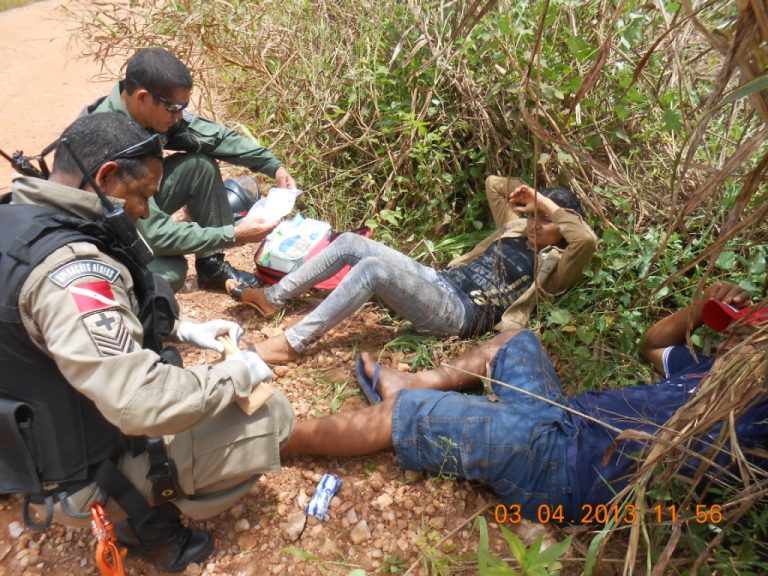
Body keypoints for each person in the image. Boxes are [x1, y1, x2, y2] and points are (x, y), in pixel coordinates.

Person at [0, 113, 294, 572]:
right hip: (71, 476)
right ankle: (145, 525)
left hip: (20, 438)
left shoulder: (15, 220)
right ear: (107, 176)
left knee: (170, 352)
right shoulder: (71, 271)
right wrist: (236, 373)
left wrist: (183, 327)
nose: (142, 211)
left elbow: (47, 328)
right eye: (142, 196)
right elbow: (141, 401)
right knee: (272, 416)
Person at [281, 281, 768, 521]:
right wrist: (698, 310)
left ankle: (272, 439)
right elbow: (653, 345)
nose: (731, 341)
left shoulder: (757, 409)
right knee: (517, 341)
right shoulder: (710, 371)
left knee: (401, 419)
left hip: (563, 466)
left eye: (742, 336)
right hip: (565, 422)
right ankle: (416, 381)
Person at [229, 175, 598, 364]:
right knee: (348, 243)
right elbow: (495, 186)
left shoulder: (559, 264)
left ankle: (293, 344)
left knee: (373, 269)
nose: (534, 224)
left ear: (562, 231)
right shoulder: (513, 227)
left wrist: (549, 206)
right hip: (438, 282)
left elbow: (587, 240)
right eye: (532, 217)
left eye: (545, 222)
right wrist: (530, 197)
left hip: (460, 313)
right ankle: (271, 298)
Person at [84, 46, 298, 292]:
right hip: (102, 235)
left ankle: (212, 267)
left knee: (199, 167)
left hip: (137, 206)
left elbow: (212, 137)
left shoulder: (150, 112)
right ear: (143, 97)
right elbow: (155, 233)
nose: (179, 116)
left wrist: (274, 166)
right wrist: (234, 234)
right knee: (169, 272)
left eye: (182, 107)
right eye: (174, 108)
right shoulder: (111, 140)